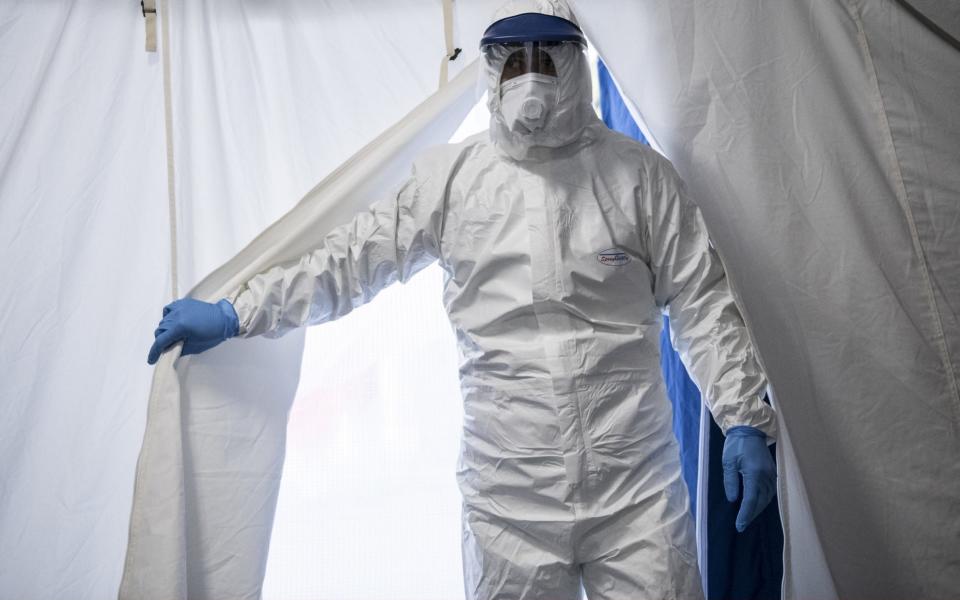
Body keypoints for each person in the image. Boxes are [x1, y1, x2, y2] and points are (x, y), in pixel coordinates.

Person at [148, 1, 777, 598]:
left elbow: (701, 298)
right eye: (514, 60)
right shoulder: (451, 180)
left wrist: (743, 415)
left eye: (548, 58)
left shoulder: (639, 178)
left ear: (577, 62)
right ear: (490, 67)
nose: (532, 78)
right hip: (510, 503)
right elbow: (349, 261)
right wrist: (239, 311)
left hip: (636, 494)